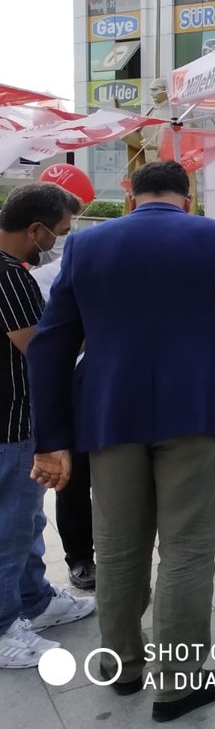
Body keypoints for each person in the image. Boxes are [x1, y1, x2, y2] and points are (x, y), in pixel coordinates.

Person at [28, 161, 215, 719]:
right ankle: (179, 682)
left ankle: (122, 666)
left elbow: (50, 345)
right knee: (188, 550)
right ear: (185, 198)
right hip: (198, 413)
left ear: (130, 195)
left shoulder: (87, 246)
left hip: (110, 416)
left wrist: (52, 438)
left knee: (116, 548)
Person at [0, 184, 95, 670]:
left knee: (28, 519)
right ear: (33, 230)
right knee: (12, 528)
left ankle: (35, 600)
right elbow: (39, 351)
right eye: (56, 234)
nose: (57, 243)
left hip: (14, 421)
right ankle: (2, 628)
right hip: (13, 423)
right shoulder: (11, 277)